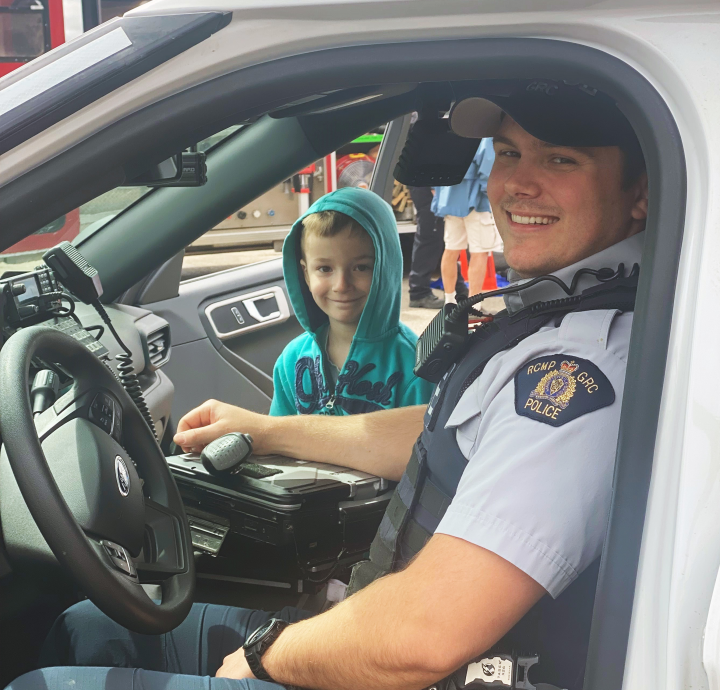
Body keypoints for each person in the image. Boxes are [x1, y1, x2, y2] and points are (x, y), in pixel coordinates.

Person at [19, 79, 649, 690]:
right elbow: (447, 430)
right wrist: (267, 430)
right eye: (508, 153)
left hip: (423, 661)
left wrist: (266, 656)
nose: (515, 183)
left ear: (640, 193)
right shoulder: (565, 310)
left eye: (560, 158)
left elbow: (426, 635)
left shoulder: (582, 370)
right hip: (382, 611)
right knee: (92, 625)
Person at [270, 186, 434, 415]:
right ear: (306, 274)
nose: (341, 285)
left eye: (361, 267)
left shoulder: (414, 366)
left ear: (386, 269)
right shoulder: (292, 360)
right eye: (325, 268)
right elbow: (278, 436)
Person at [433, 138, 503, 302]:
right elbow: (487, 166)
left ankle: (449, 302)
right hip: (476, 199)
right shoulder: (481, 131)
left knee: (451, 249)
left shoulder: (446, 133)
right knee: (479, 252)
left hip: (450, 198)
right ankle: (473, 306)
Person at [407, 185, 467, 309]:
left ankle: (459, 290)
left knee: (441, 238)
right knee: (429, 236)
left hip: (431, 184)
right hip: (426, 185)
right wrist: (434, 186)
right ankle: (419, 293)